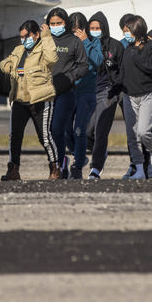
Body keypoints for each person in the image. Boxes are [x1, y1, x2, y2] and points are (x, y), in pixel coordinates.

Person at [0, 20, 59, 180]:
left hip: (40, 99)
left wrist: (46, 37)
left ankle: (55, 168)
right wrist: (9, 66)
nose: (24, 40)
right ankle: (13, 169)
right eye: (22, 37)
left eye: (27, 36)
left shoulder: (44, 49)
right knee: (15, 136)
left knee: (44, 137)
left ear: (36, 35)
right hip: (20, 100)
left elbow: (52, 59)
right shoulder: (19, 50)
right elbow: (4, 63)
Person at [86, 11, 135, 179]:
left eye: (97, 27)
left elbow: (121, 70)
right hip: (88, 93)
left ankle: (96, 168)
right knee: (86, 131)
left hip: (107, 92)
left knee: (101, 131)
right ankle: (100, 153)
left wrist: (116, 89)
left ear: (104, 28)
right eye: (91, 28)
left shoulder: (115, 46)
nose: (94, 30)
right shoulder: (85, 44)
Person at [45, 7, 89, 178]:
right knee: (47, 132)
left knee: (57, 129)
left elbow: (83, 66)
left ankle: (60, 165)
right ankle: (57, 163)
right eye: (52, 23)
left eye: (59, 23)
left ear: (66, 23)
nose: (56, 26)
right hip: (46, 93)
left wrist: (69, 78)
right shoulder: (45, 41)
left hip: (66, 92)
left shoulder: (73, 41)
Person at [119, 15, 152, 179]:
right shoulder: (128, 48)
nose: (125, 35)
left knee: (144, 131)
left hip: (148, 94)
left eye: (127, 31)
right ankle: (139, 170)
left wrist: (136, 54)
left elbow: (151, 67)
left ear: (136, 30)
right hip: (129, 95)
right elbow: (123, 72)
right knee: (132, 135)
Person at [65, 11, 98, 179]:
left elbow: (99, 61)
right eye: (73, 28)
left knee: (79, 130)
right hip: (69, 91)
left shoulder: (92, 42)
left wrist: (86, 42)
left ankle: (77, 166)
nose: (76, 32)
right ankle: (80, 156)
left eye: (80, 28)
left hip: (87, 92)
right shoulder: (66, 43)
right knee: (64, 131)